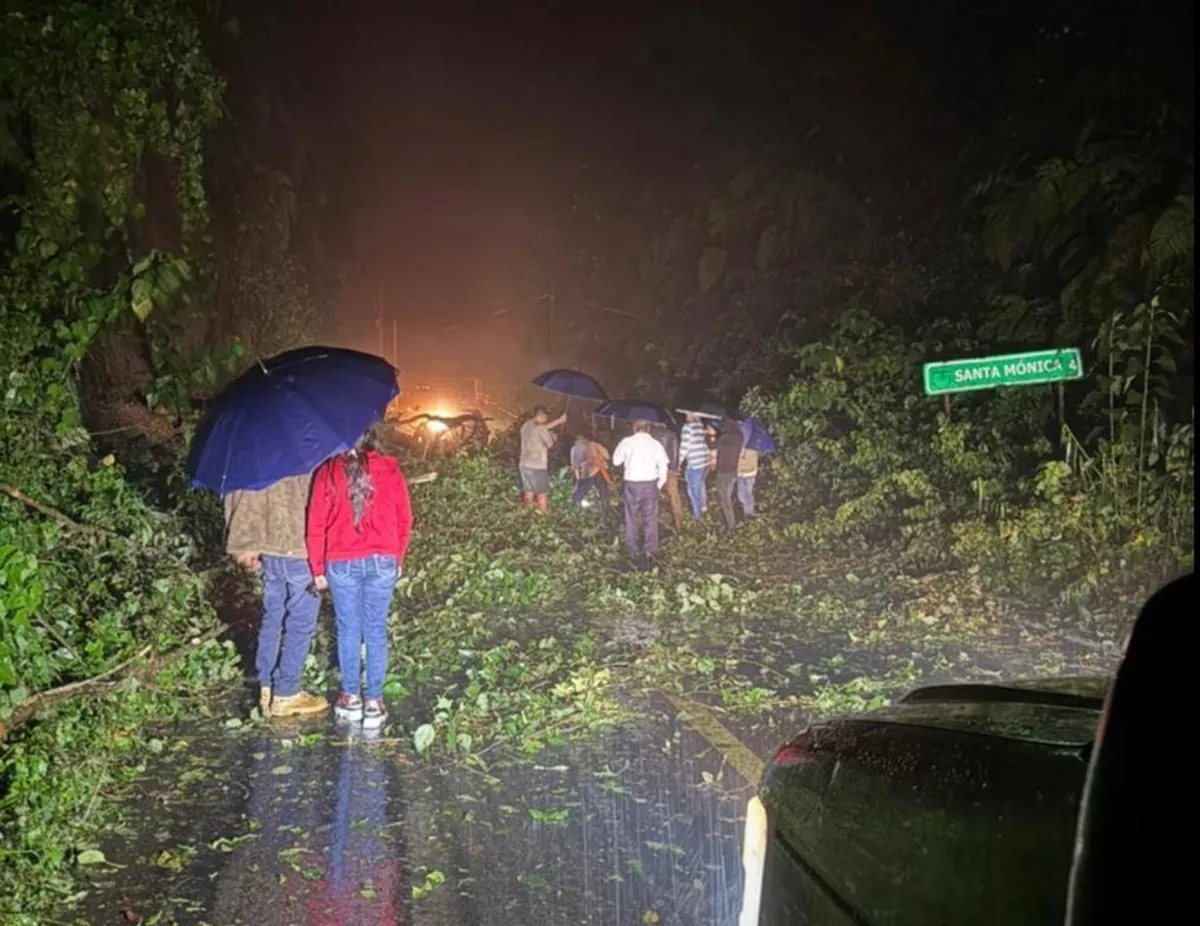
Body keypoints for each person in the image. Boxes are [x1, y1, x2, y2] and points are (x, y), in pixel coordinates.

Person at [307, 428, 413, 729]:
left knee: (349, 629)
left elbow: (315, 523)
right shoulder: (390, 468)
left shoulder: (327, 472)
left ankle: (351, 697)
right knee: (376, 629)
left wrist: (317, 569)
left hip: (341, 561)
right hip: (383, 559)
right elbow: (405, 517)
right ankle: (375, 703)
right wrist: (398, 556)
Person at [225, 474, 327, 719]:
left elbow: (234, 496)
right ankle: (287, 693)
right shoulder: (306, 453)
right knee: (300, 623)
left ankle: (266, 686)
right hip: (300, 548)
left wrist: (243, 546)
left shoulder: (255, 453)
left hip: (270, 551)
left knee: (273, 618)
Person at [611, 419, 670, 566]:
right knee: (650, 518)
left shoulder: (627, 442)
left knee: (630, 517)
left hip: (632, 484)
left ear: (634, 428)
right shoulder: (656, 444)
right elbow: (663, 465)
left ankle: (631, 549)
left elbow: (616, 461)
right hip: (650, 484)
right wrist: (660, 484)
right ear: (648, 429)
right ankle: (650, 549)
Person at [519, 405, 567, 511]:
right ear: (541, 415)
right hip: (538, 467)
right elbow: (550, 444)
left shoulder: (526, 425)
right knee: (542, 494)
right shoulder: (541, 429)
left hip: (524, 465)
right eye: (546, 416)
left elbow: (542, 428)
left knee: (529, 491)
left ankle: (526, 514)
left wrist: (559, 421)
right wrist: (553, 437)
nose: (547, 419)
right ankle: (543, 519)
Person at [679, 413, 712, 522]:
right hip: (704, 461)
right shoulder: (700, 426)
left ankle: (698, 517)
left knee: (693, 491)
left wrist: (678, 462)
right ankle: (704, 506)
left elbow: (684, 447)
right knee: (701, 484)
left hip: (695, 463)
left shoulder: (687, 427)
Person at [713, 419, 746, 531]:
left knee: (724, 499)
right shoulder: (739, 437)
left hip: (722, 472)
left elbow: (712, 445)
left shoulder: (724, 437)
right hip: (733, 471)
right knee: (728, 497)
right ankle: (731, 522)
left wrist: (711, 435)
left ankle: (730, 525)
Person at [652, 423, 683, 533]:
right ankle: (678, 524)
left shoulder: (651, 435)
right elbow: (675, 452)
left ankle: (655, 524)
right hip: (670, 469)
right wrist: (673, 469)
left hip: (655, 470)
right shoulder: (672, 435)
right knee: (674, 495)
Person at [570, 433, 612, 508]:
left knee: (581, 490)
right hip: (599, 469)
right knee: (603, 489)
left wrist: (578, 480)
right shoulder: (594, 444)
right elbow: (607, 456)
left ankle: (576, 504)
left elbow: (575, 466)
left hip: (586, 472)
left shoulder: (574, 448)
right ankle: (606, 506)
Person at [736, 421, 759, 520]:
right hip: (741, 472)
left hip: (748, 472)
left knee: (747, 494)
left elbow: (751, 461)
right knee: (742, 494)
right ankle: (748, 512)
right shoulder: (741, 445)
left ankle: (749, 513)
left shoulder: (752, 447)